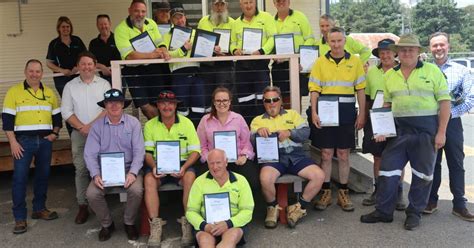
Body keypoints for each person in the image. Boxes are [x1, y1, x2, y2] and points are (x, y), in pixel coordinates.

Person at [360, 34, 451, 231]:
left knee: (422, 175)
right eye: (402, 50)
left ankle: (414, 213)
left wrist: (441, 132)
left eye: (411, 49)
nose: (407, 52)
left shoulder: (432, 71)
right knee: (387, 171)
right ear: (397, 53)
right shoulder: (390, 75)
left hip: (426, 131)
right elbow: (387, 103)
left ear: (418, 52)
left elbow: (445, 102)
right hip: (398, 131)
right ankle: (384, 212)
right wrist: (382, 128)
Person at [251, 86, 325, 228]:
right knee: (265, 178)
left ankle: (298, 208)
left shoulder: (293, 114)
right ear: (263, 103)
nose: (272, 103)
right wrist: (258, 133)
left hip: (296, 155)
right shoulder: (257, 120)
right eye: (268, 100)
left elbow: (306, 132)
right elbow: (251, 140)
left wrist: (290, 133)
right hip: (273, 158)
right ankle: (272, 208)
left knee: (319, 176)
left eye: (275, 99)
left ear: (281, 101)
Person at [309, 27, 366, 212]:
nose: (336, 44)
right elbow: (314, 90)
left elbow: (360, 90)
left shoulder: (355, 62)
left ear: (344, 41)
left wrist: (362, 113)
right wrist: (314, 112)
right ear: (328, 42)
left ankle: (343, 192)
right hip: (325, 111)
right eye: (332, 41)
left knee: (343, 154)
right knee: (326, 153)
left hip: (347, 111)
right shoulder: (319, 62)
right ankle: (325, 193)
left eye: (339, 41)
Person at [2, 59, 62, 234]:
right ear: (25, 71)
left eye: (38, 71)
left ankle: (39, 209)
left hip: (45, 142)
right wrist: (13, 142)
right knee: (19, 179)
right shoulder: (14, 92)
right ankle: (20, 218)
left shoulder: (49, 93)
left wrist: (54, 134)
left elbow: (57, 119)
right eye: (31, 71)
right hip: (22, 142)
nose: (34, 74)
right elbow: (7, 121)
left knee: (42, 176)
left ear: (42, 73)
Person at [143, 90, 203, 247]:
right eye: (162, 103)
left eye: (170, 103)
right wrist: (154, 167)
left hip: (182, 166)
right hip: (159, 166)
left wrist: (184, 167)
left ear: (176, 105)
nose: (166, 106)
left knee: (190, 177)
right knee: (149, 179)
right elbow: (147, 153)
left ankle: (188, 222)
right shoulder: (150, 125)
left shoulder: (187, 123)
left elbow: (196, 151)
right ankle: (155, 225)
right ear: (157, 105)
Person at [84, 89, 145, 241]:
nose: (114, 105)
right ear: (105, 105)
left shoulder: (134, 123)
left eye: (117, 102)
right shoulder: (97, 127)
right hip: (105, 170)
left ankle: (128, 222)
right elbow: (89, 154)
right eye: (110, 102)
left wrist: (133, 173)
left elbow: (139, 151)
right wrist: (95, 174)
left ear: (123, 104)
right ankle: (107, 224)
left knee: (136, 190)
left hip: (128, 168)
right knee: (92, 193)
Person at [425, 32, 474, 221]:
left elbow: (470, 99)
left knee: (456, 163)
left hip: (452, 122)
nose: (438, 48)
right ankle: (431, 201)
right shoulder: (425, 70)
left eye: (441, 45)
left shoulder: (461, 71)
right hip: (429, 122)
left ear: (448, 46)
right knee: (432, 163)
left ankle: (459, 205)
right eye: (435, 45)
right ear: (430, 48)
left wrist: (448, 114)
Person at [61, 52, 111, 225]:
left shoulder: (104, 84)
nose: (87, 67)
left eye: (90, 64)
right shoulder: (70, 86)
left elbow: (108, 109)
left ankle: (102, 200)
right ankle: (83, 205)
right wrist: (82, 127)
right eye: (83, 64)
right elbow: (66, 111)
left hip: (101, 133)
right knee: (81, 169)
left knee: (102, 166)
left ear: (95, 65)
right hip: (79, 133)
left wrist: (91, 127)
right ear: (78, 66)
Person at [361, 39, 406, 211]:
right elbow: (366, 97)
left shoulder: (402, 70)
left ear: (395, 53)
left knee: (399, 156)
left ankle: (398, 192)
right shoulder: (372, 72)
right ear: (378, 55)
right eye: (382, 52)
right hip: (377, 116)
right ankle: (378, 190)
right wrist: (363, 117)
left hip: (397, 116)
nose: (385, 55)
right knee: (377, 156)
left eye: (388, 51)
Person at [114, 0, 170, 120]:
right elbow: (129, 55)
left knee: (159, 103)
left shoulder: (151, 24)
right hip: (134, 72)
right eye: (136, 11)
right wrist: (152, 55)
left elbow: (159, 42)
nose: (140, 14)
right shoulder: (121, 29)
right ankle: (159, 126)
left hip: (154, 69)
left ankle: (160, 131)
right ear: (129, 11)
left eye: (143, 11)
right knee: (144, 106)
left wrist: (164, 49)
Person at [186, 149, 254, 248]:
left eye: (218, 163)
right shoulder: (199, 182)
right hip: (207, 225)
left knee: (229, 242)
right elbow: (191, 211)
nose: (215, 167)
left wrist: (228, 223)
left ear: (226, 162)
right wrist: (205, 226)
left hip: (232, 225)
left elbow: (247, 211)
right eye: (211, 163)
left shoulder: (241, 181)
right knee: (205, 243)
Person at [196, 87, 259, 191]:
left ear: (230, 102)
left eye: (225, 100)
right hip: (213, 163)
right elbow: (201, 145)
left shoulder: (238, 118)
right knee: (202, 182)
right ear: (214, 102)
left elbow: (246, 143)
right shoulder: (205, 120)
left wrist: (244, 156)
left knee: (253, 181)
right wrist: (209, 158)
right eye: (218, 101)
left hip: (236, 160)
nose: (222, 103)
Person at [231, 0, 277, 124]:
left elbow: (273, 37)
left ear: (255, 3)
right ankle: (248, 131)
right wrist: (234, 50)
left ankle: (265, 131)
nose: (248, 5)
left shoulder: (266, 17)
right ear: (240, 5)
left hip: (260, 64)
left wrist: (262, 51)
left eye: (251, 2)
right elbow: (232, 43)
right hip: (242, 67)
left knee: (263, 100)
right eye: (245, 3)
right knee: (245, 102)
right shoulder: (236, 23)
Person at [162, 4, 207, 124]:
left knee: (199, 109)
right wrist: (183, 49)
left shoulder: (195, 32)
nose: (179, 20)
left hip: (197, 73)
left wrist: (214, 48)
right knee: (182, 111)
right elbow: (167, 54)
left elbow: (204, 50)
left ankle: (197, 137)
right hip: (179, 74)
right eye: (176, 18)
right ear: (171, 20)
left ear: (185, 17)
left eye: (181, 17)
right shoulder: (166, 36)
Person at [271, 0, 315, 101]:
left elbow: (310, 38)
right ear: (274, 3)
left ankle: (294, 117)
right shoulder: (271, 21)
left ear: (289, 1)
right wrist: (273, 54)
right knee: (280, 98)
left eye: (284, 0)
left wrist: (300, 56)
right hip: (279, 65)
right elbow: (269, 42)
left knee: (296, 98)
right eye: (278, 1)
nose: (281, 2)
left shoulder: (300, 17)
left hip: (296, 64)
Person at [197, 0, 236, 92]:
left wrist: (227, 54)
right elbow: (199, 42)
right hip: (206, 65)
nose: (219, 8)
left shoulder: (233, 23)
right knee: (207, 96)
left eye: (222, 4)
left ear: (227, 5)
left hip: (225, 64)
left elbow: (235, 43)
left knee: (224, 94)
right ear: (211, 5)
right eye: (216, 4)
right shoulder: (203, 21)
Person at [46, 16, 86, 97]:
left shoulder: (77, 40)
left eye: (68, 26)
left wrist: (78, 67)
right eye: (63, 27)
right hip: (61, 79)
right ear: (58, 28)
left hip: (78, 75)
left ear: (71, 28)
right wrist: (62, 70)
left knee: (80, 98)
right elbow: (49, 63)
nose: (65, 29)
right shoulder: (54, 44)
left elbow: (86, 57)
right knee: (67, 100)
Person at [88, 14, 122, 84]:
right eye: (101, 24)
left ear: (110, 24)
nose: (103, 26)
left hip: (119, 77)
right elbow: (90, 61)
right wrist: (102, 67)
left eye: (105, 24)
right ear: (97, 26)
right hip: (101, 79)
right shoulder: (93, 43)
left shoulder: (119, 39)